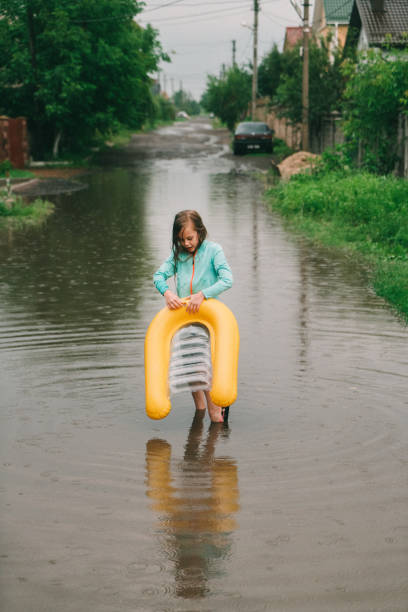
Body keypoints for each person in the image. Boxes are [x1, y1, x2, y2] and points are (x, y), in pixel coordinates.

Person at [154, 210, 233, 423]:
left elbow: (227, 279)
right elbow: (158, 276)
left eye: (189, 238)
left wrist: (203, 294)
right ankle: (199, 412)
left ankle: (216, 416)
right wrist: (168, 292)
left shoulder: (213, 251)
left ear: (200, 232)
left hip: (208, 319)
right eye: (181, 240)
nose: (186, 243)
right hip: (184, 320)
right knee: (190, 368)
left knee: (202, 368)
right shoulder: (178, 255)